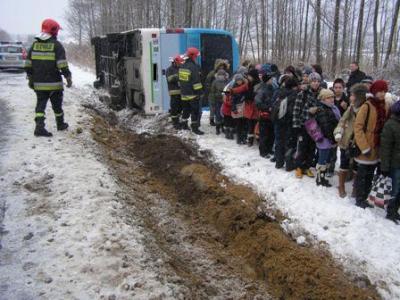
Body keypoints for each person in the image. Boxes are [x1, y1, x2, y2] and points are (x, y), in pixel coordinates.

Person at [25, 18, 72, 137]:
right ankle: (60, 124)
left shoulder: (34, 45)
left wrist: (31, 79)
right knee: (57, 105)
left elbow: (27, 65)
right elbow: (62, 64)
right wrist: (68, 77)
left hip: (39, 84)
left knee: (40, 106)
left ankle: (39, 128)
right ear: (54, 30)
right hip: (54, 84)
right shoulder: (57, 45)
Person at [353, 80, 389, 208]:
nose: (382, 94)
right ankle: (359, 198)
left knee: (370, 175)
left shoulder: (385, 106)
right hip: (366, 146)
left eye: (384, 91)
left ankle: (365, 197)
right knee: (362, 174)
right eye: (379, 91)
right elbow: (358, 127)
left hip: (377, 147)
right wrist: (364, 147)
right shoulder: (367, 106)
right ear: (374, 91)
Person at [334, 83, 369, 198]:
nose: (350, 97)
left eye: (352, 95)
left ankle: (355, 187)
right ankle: (341, 186)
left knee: (356, 165)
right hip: (346, 140)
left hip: (359, 141)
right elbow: (342, 120)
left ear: (358, 96)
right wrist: (338, 131)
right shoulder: (351, 107)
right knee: (344, 163)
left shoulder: (366, 108)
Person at [292, 72, 322, 178]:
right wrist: (296, 126)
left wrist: (317, 110)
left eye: (318, 81)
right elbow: (296, 109)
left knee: (311, 147)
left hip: (315, 127)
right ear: (310, 82)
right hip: (303, 125)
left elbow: (323, 109)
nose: (316, 83)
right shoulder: (303, 93)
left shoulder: (321, 94)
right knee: (302, 147)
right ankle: (298, 167)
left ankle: (307, 167)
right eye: (314, 81)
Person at [271, 77, 300, 169]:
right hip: (289, 123)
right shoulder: (295, 95)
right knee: (289, 143)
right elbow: (293, 111)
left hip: (278, 122)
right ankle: (288, 164)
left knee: (279, 142)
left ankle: (279, 163)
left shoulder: (280, 92)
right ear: (294, 87)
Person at [314, 89, 340, 187]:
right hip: (324, 139)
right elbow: (326, 127)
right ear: (323, 99)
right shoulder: (322, 109)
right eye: (328, 97)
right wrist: (332, 139)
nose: (332, 99)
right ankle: (320, 179)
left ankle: (323, 177)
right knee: (322, 160)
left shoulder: (332, 108)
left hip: (329, 138)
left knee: (326, 159)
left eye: (332, 97)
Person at [380, 101, 400, 223]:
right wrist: (385, 167)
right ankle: (390, 211)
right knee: (395, 189)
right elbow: (385, 148)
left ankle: (395, 209)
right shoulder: (391, 124)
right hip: (395, 163)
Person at [179, 47, 204, 135]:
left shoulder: (182, 65)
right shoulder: (193, 67)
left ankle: (184, 124)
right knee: (195, 112)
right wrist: (200, 92)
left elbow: (182, 80)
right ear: (193, 56)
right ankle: (195, 128)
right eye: (196, 56)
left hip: (184, 93)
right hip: (193, 94)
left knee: (185, 110)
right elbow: (196, 81)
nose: (196, 57)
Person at [328, 78, 349, 177]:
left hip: (343, 128)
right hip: (331, 127)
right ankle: (330, 168)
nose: (338, 89)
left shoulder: (347, 99)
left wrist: (346, 107)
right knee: (332, 149)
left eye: (340, 87)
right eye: (336, 87)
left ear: (343, 88)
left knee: (344, 151)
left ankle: (343, 171)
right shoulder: (329, 98)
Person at [255, 72, 276, 158]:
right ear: (267, 80)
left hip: (272, 116)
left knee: (271, 134)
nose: (273, 80)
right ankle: (263, 151)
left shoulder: (272, 88)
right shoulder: (261, 90)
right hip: (264, 115)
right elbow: (258, 103)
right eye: (271, 79)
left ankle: (269, 149)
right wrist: (267, 108)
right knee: (264, 134)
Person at [204, 59, 230, 126]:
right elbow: (207, 82)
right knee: (213, 107)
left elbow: (227, 83)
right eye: (220, 66)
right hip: (213, 93)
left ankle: (221, 120)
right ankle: (212, 120)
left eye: (222, 66)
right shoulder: (212, 73)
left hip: (222, 94)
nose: (221, 67)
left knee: (221, 108)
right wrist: (211, 90)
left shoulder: (225, 73)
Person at [166, 55, 184, 129]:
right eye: (179, 63)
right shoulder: (169, 69)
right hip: (174, 92)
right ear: (175, 62)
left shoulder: (181, 68)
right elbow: (169, 79)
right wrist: (178, 76)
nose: (180, 64)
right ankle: (175, 123)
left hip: (181, 92)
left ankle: (178, 121)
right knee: (174, 108)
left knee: (180, 108)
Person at [243, 68, 261, 146]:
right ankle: (250, 139)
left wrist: (248, 96)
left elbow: (254, 95)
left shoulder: (258, 84)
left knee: (256, 123)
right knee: (250, 123)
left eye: (249, 76)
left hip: (255, 106)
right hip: (249, 106)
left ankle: (257, 139)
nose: (248, 77)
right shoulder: (249, 83)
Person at [209, 69, 230, 135]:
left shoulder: (227, 81)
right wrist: (213, 101)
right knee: (218, 114)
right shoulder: (215, 82)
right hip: (217, 100)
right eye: (219, 75)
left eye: (222, 75)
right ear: (217, 75)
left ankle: (222, 127)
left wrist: (225, 94)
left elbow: (229, 90)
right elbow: (212, 92)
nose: (221, 76)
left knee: (224, 114)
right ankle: (217, 128)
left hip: (225, 101)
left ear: (225, 75)